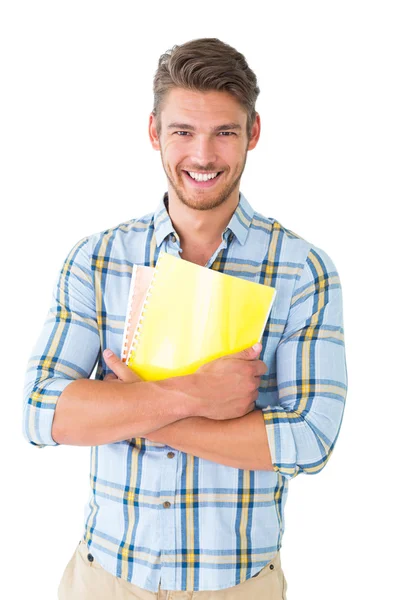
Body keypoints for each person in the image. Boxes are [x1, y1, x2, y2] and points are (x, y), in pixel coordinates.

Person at [22, 37, 348, 600]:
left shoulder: (303, 270)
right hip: (105, 581)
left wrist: (132, 409)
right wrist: (197, 394)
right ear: (154, 133)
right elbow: (42, 413)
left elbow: (310, 439)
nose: (203, 155)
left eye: (224, 131)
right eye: (182, 132)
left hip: (239, 586)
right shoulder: (98, 260)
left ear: (253, 133)